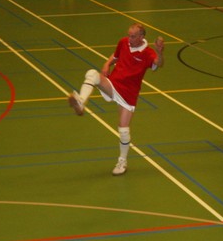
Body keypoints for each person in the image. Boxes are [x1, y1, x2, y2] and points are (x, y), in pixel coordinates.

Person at [67, 22, 165, 175]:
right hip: (113, 84)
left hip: (129, 94)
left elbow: (158, 64)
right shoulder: (123, 42)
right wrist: (107, 64)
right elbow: (116, 55)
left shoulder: (148, 53)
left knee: (123, 129)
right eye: (129, 35)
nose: (129, 39)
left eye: (133, 36)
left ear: (141, 37)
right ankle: (80, 102)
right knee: (92, 74)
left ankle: (122, 162)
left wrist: (159, 52)